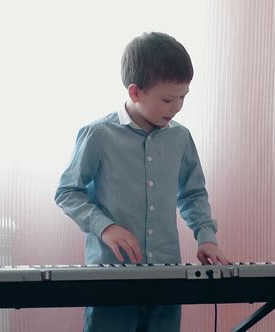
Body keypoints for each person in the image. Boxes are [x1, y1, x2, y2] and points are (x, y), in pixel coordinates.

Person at [55, 31, 228, 332]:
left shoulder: (181, 138)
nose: (176, 107)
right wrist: (105, 227)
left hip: (167, 278)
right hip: (111, 280)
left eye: (183, 97)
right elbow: (68, 192)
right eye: (167, 99)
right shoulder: (98, 135)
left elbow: (193, 194)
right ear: (135, 92)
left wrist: (206, 237)